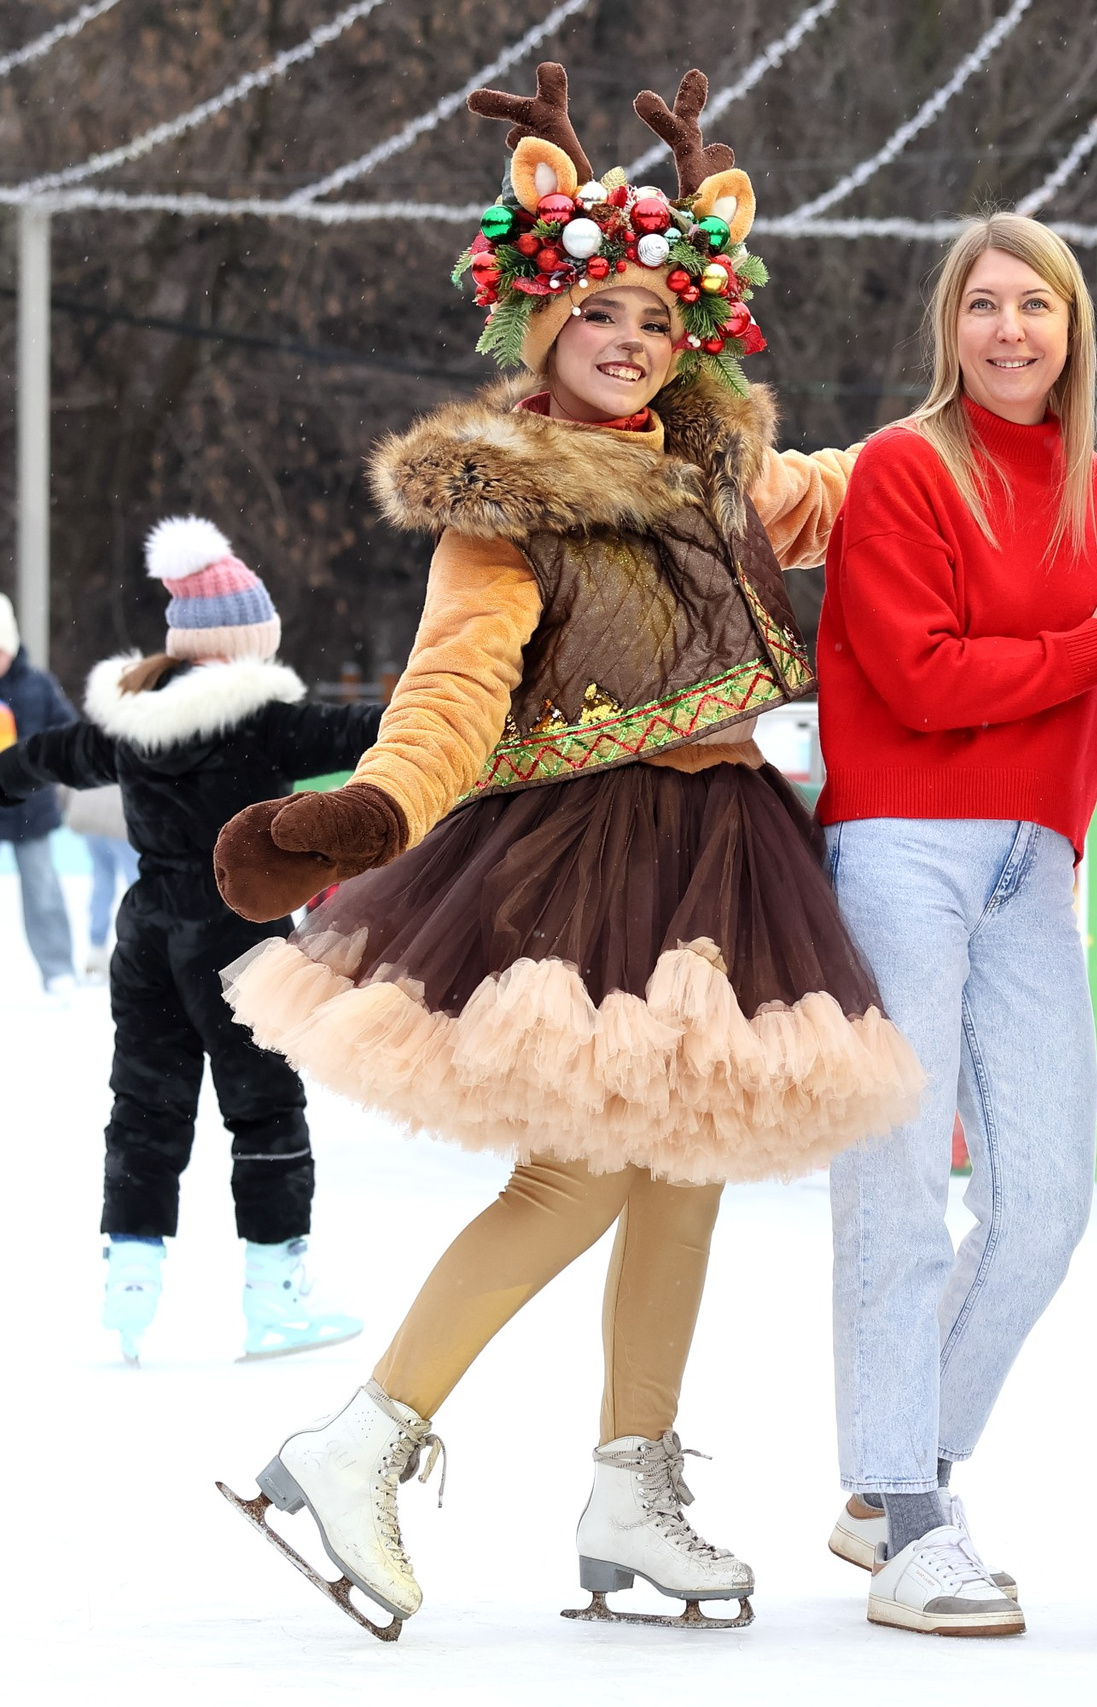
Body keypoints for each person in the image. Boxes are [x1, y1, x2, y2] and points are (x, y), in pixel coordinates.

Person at [206, 66, 921, 1635]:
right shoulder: (508, 498)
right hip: (583, 853)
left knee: (687, 1163)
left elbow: (873, 490)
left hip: (726, 841)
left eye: (661, 322)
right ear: (542, 327)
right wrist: (373, 811)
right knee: (581, 1167)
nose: (632, 343)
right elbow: (456, 680)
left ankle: (631, 1481)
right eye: (602, 314)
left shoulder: (729, 465)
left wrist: (1001, 433)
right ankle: (360, 1438)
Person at [816, 212, 1097, 1638]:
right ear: (949, 329)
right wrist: (1094, 638)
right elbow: (918, 677)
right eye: (986, 307)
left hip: (1038, 857)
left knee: (1045, 1203)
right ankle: (911, 1511)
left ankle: (889, 1475)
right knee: (896, 1183)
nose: (1012, 330)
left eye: (1038, 305)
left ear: (1073, 326)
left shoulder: (1093, 486)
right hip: (903, 842)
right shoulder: (906, 468)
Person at [0, 518, 378, 1364]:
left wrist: (9, 774)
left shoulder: (131, 722)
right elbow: (367, 729)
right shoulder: (265, 720)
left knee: (145, 1104)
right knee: (266, 1106)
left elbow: (50, 755)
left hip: (146, 935)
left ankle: (129, 1283)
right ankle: (274, 1294)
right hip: (240, 942)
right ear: (247, 645)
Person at [0, 592, 79, 996]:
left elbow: (69, 734)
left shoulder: (37, 685)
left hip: (31, 808)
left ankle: (58, 969)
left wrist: (44, 766)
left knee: (43, 889)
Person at [67, 783, 138, 980]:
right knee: (137, 883)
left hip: (90, 811)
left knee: (102, 881)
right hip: (121, 815)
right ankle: (137, 945)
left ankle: (96, 948)